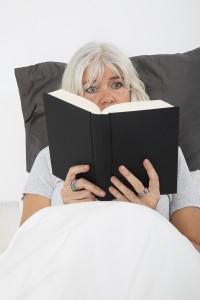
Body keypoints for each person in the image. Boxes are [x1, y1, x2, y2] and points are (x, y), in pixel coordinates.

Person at [1, 42, 200, 300]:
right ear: (75, 98)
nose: (106, 97)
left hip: (144, 271)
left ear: (131, 91)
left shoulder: (170, 154)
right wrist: (63, 204)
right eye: (91, 88)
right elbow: (27, 249)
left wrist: (151, 216)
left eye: (116, 84)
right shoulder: (47, 158)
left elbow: (194, 249)